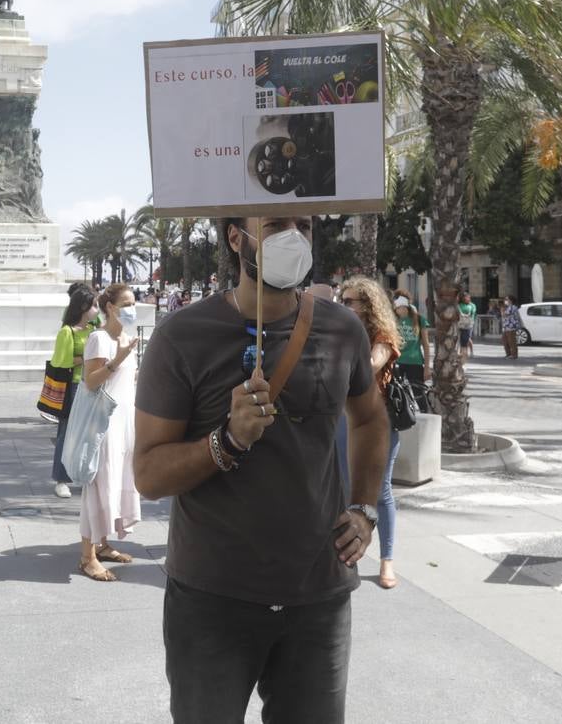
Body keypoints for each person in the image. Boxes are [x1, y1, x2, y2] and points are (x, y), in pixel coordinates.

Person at [133, 216, 387, 723]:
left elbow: (371, 420)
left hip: (318, 596)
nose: (294, 236)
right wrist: (225, 441)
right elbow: (149, 473)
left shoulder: (342, 328)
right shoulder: (182, 336)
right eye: (275, 225)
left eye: (304, 225)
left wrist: (364, 508)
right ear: (235, 238)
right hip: (212, 599)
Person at [339, 277, 404, 591]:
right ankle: (349, 552)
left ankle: (387, 559)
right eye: (343, 300)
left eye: (350, 301)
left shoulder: (382, 335)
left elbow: (368, 366)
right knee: (344, 484)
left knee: (381, 491)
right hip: (345, 419)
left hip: (379, 423)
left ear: (368, 305)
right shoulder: (344, 333)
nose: (345, 306)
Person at [76, 283, 142, 582]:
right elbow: (91, 382)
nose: (132, 308)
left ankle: (102, 543)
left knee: (116, 481)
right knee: (98, 485)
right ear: (111, 307)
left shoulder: (127, 338)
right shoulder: (98, 339)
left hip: (124, 422)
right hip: (102, 426)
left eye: (133, 302)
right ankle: (87, 557)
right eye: (127, 303)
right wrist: (118, 360)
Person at [50, 283, 99, 499]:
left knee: (91, 433)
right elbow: (62, 361)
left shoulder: (93, 331)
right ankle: (61, 480)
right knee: (66, 433)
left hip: (92, 384)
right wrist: (87, 358)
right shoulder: (67, 332)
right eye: (93, 305)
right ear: (82, 307)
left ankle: (85, 474)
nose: (97, 310)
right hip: (73, 385)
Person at [391, 289, 431, 388]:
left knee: (418, 396)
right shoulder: (392, 320)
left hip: (415, 363)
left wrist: (427, 368)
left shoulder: (419, 319)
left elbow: (426, 345)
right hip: (397, 362)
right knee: (397, 397)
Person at [456, 291, 476, 358]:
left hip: (468, 325)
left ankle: (470, 352)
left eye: (469, 297)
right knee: (459, 338)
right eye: (467, 297)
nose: (468, 298)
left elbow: (472, 314)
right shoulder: (459, 305)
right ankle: (461, 352)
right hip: (460, 324)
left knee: (467, 338)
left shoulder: (472, 305)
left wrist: (468, 317)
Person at [500, 294, 521, 359]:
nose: (505, 301)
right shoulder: (508, 307)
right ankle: (508, 354)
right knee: (505, 341)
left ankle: (514, 355)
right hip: (506, 327)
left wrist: (502, 310)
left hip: (511, 327)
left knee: (511, 341)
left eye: (507, 299)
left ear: (510, 300)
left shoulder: (513, 307)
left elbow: (504, 315)